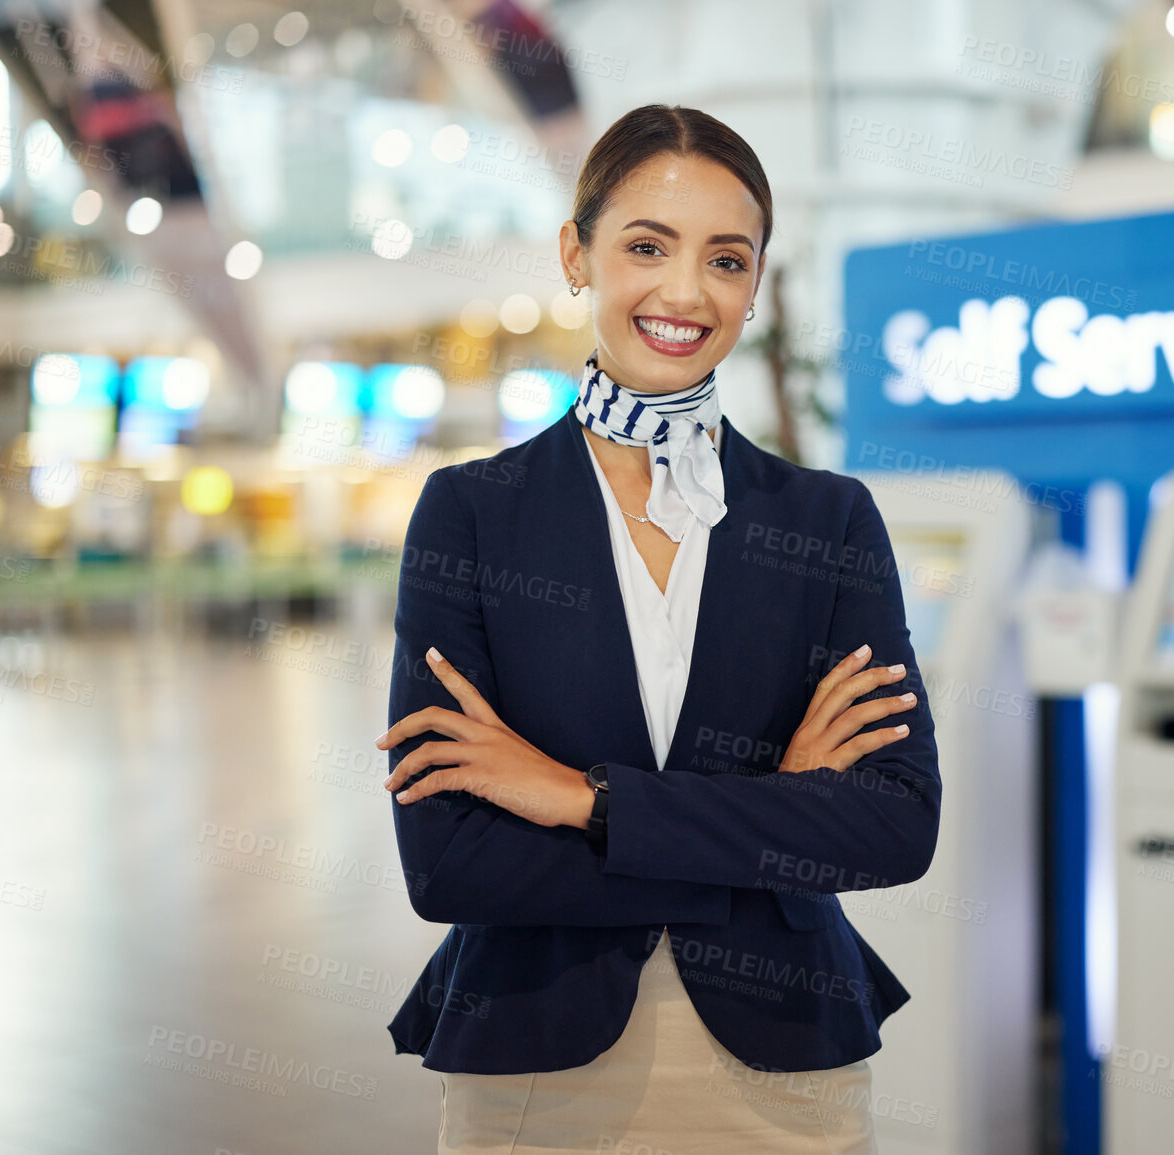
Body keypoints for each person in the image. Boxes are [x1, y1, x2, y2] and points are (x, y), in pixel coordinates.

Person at [374, 103, 940, 1154]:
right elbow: (447, 864)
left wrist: (577, 800)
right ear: (576, 255)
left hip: (786, 1071)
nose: (685, 293)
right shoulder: (473, 514)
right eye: (646, 246)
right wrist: (775, 816)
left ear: (757, 284)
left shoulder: (827, 520)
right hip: (535, 1068)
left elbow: (895, 827)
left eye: (726, 259)